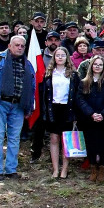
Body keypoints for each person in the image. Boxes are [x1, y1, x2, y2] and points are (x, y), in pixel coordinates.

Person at [0, 35, 35, 180]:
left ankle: (11, 169)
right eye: (17, 45)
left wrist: (29, 107)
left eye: (22, 46)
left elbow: (32, 87)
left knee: (14, 138)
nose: (19, 48)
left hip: (18, 105)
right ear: (10, 46)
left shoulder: (27, 64)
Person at [74, 56, 104, 183]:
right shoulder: (84, 82)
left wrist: (103, 114)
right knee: (90, 144)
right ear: (91, 66)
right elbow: (80, 100)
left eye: (100, 64)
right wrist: (91, 113)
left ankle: (102, 168)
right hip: (89, 119)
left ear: (103, 67)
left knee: (103, 144)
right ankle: (93, 168)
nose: (97, 66)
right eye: (95, 64)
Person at [40, 46, 77, 179]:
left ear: (67, 58)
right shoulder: (49, 74)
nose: (60, 57)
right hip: (53, 108)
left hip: (67, 109)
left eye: (63, 55)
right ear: (54, 58)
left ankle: (65, 169)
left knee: (66, 140)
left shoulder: (73, 74)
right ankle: (55, 169)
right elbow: (44, 94)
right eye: (57, 55)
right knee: (54, 138)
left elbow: (76, 94)